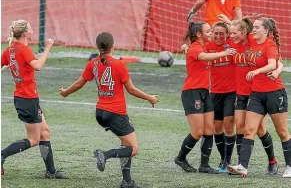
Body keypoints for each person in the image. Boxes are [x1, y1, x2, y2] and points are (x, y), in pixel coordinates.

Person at [59, 32, 159, 187]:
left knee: (126, 144)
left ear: (98, 47)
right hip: (115, 113)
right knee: (133, 148)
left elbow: (79, 84)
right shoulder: (119, 65)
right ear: (113, 46)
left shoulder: (93, 63)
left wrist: (65, 92)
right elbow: (131, 90)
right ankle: (105, 155)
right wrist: (150, 97)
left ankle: (127, 181)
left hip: (100, 112)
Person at [1, 20, 67, 179]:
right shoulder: (24, 49)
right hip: (27, 98)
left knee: (45, 132)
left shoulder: (9, 50)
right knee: (34, 139)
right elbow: (37, 65)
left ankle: (50, 172)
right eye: (30, 28)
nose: (33, 30)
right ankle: (2, 154)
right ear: (25, 34)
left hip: (26, 98)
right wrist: (47, 49)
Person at [227, 17, 291, 178]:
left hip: (275, 93)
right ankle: (243, 166)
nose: (253, 30)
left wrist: (260, 71)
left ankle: (289, 165)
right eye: (253, 27)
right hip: (256, 94)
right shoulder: (251, 40)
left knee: (282, 132)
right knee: (248, 129)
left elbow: (272, 63)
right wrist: (229, 22)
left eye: (256, 27)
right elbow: (238, 31)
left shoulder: (270, 45)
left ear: (266, 30)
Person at [174, 21, 236, 174]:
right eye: (208, 31)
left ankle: (204, 165)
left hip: (204, 92)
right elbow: (203, 57)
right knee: (197, 132)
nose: (211, 34)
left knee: (209, 129)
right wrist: (225, 53)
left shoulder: (201, 45)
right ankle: (181, 158)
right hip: (191, 92)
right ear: (199, 34)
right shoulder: (196, 47)